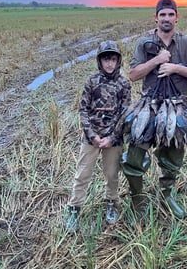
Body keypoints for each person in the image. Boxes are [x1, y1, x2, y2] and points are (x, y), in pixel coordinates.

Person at [121, 0, 187, 219]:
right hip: (149, 104)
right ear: (155, 18)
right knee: (135, 155)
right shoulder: (144, 43)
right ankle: (137, 199)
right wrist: (157, 60)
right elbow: (132, 75)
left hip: (178, 105)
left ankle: (167, 194)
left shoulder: (186, 42)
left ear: (177, 17)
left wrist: (176, 67)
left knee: (174, 155)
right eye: (162, 14)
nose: (166, 18)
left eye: (170, 14)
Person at [66, 40, 131, 231]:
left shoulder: (124, 83)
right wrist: (92, 135)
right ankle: (74, 209)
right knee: (82, 174)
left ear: (118, 60)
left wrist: (112, 137)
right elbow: (83, 110)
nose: (109, 63)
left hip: (114, 139)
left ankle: (111, 203)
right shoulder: (92, 81)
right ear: (99, 61)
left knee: (112, 175)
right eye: (105, 59)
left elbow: (125, 114)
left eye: (113, 59)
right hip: (91, 138)